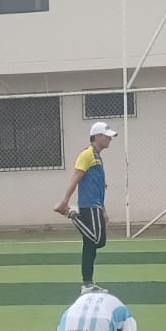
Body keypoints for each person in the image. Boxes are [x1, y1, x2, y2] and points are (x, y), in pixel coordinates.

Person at [55, 122, 116, 293]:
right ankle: (71, 214)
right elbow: (76, 177)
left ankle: (87, 284)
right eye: (107, 136)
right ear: (97, 136)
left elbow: (98, 186)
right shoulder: (87, 154)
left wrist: (104, 210)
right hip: (89, 205)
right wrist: (64, 202)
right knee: (98, 240)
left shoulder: (97, 157)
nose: (110, 139)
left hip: (96, 205)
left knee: (90, 245)